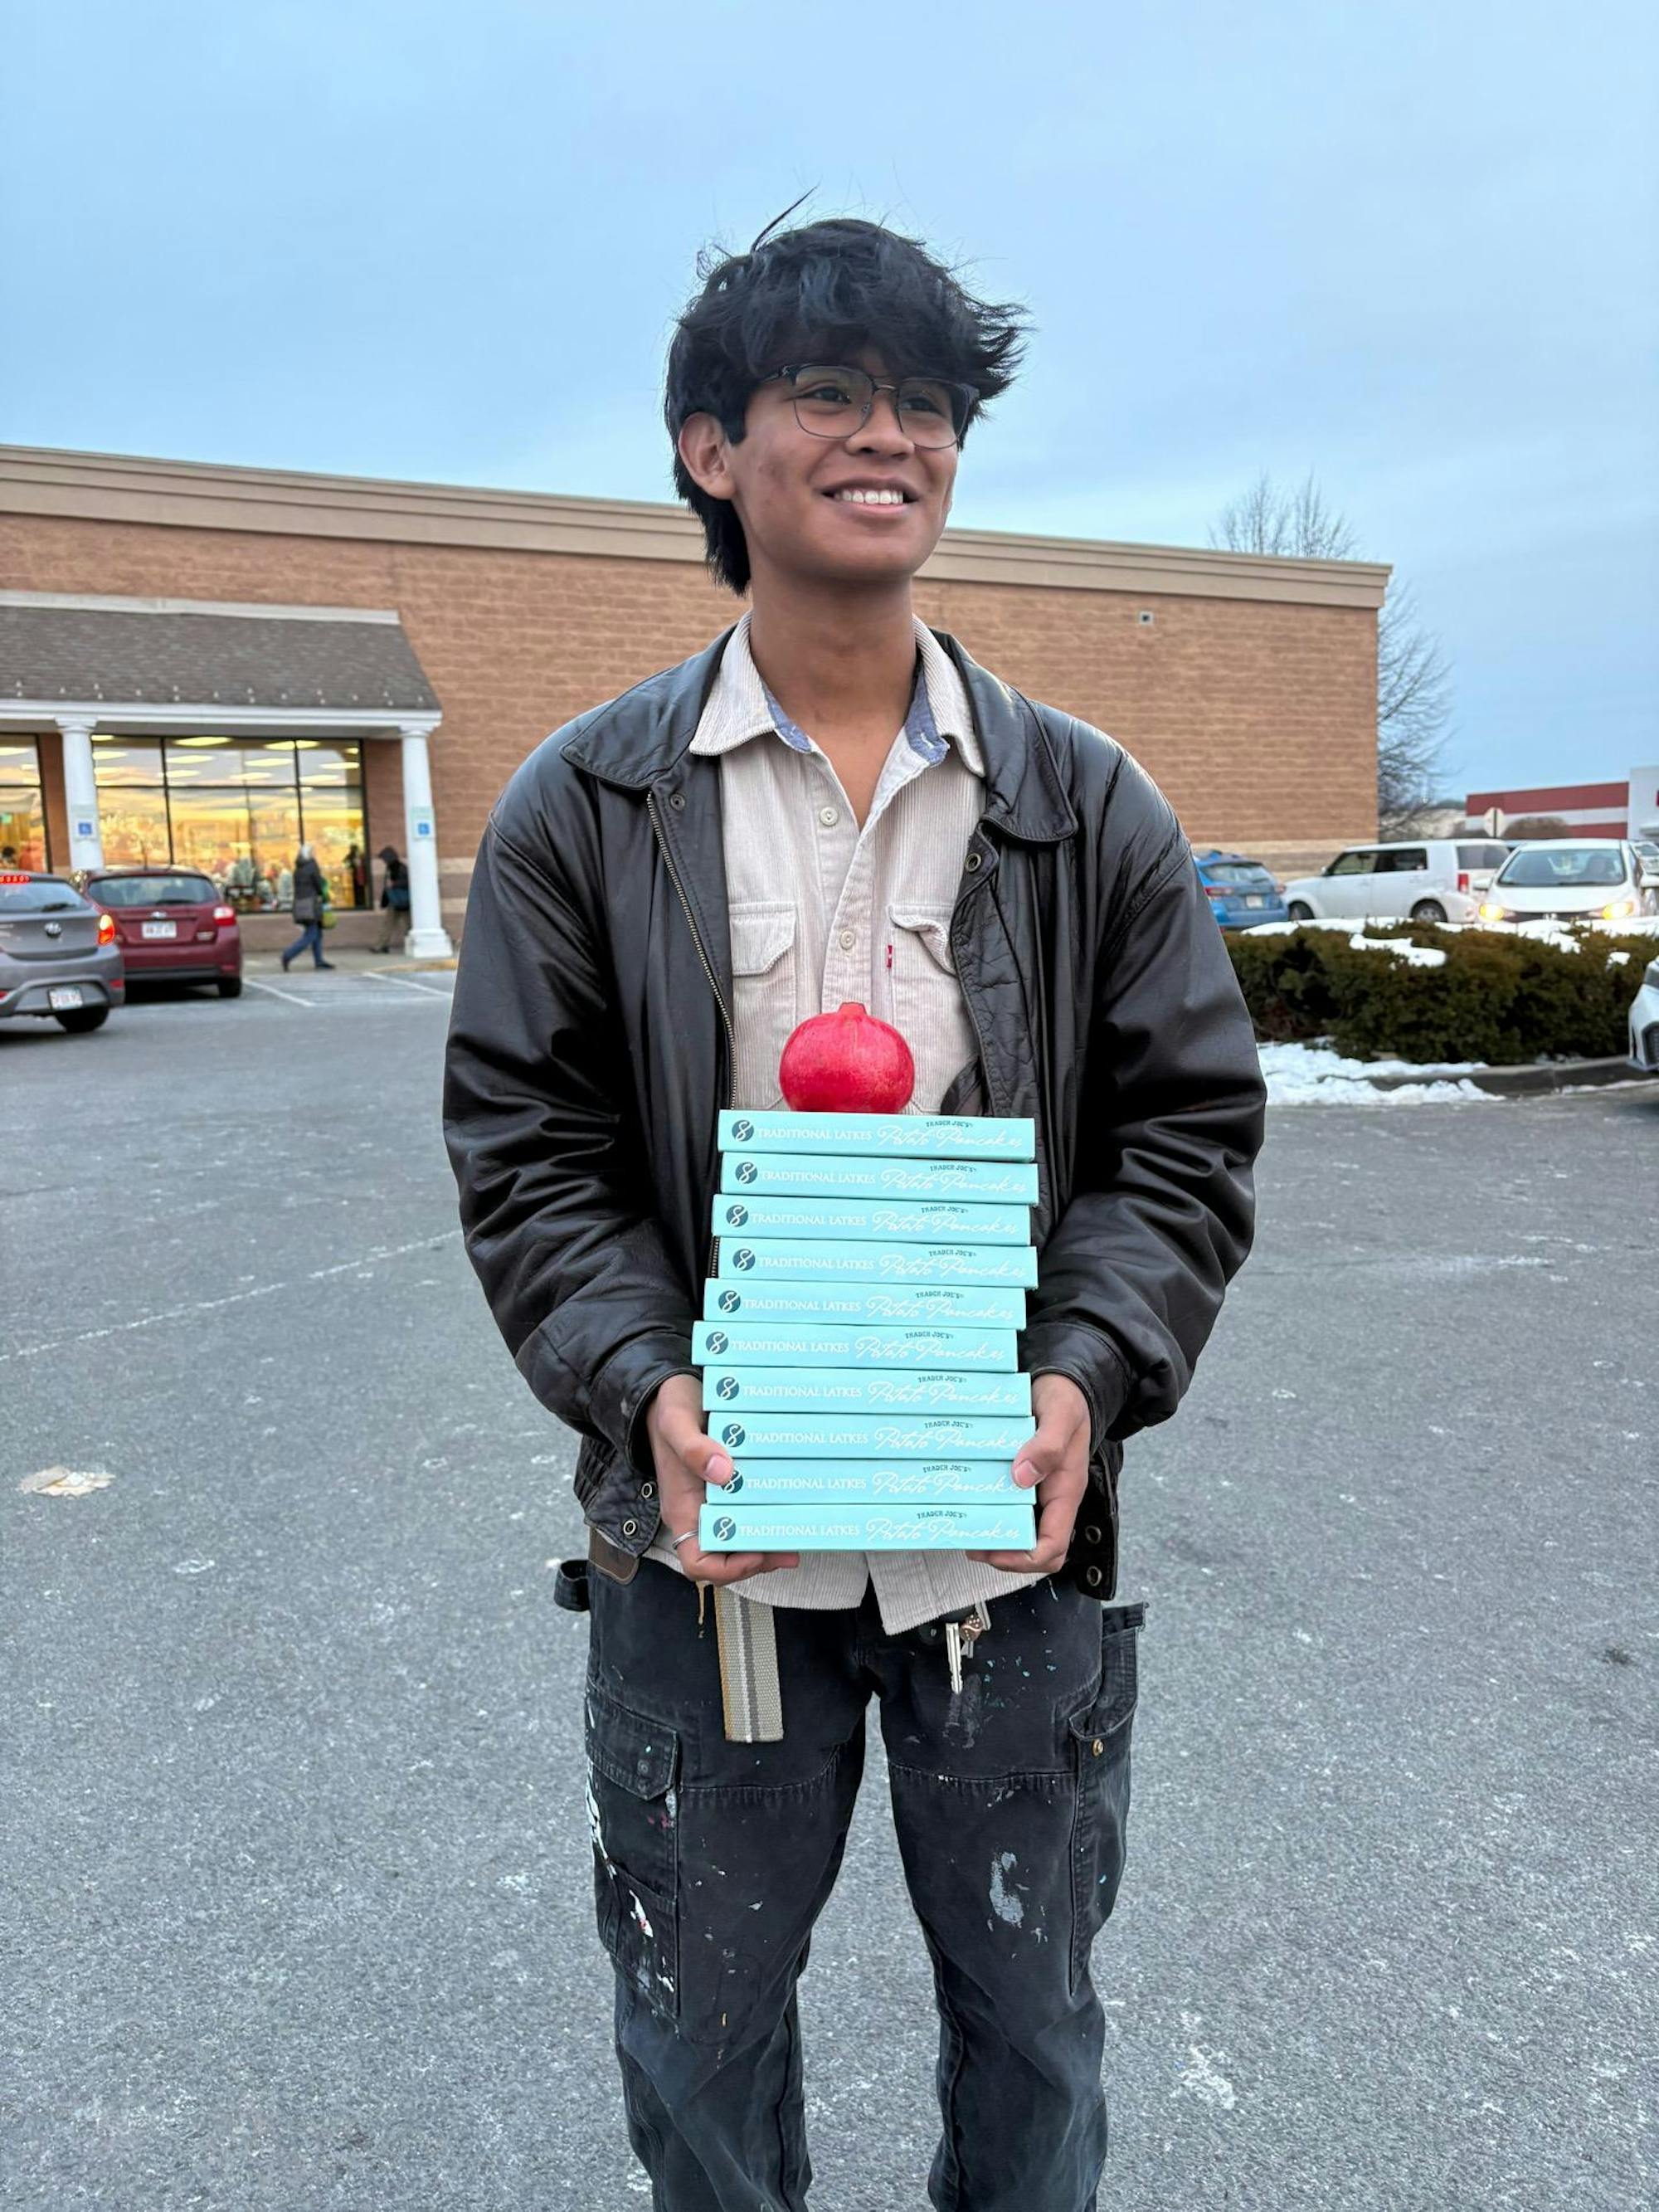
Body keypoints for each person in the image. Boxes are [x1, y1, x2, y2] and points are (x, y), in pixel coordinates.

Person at [443, 212, 1266, 2211]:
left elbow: (1181, 1130)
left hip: (1000, 1522)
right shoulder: (588, 802)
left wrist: (1083, 1373)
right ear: (709, 447)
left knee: (1035, 2026)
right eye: (825, 391)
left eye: (921, 401)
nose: (881, 432)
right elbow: (527, 1141)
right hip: (712, 1544)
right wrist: (641, 1386)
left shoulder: (1081, 801)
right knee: (699, 2040)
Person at [280, 844, 334, 971]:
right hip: (311, 904)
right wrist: (324, 895)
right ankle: (288, 955)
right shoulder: (312, 866)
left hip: (300, 904)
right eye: (313, 852)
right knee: (311, 934)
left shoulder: (298, 868)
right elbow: (319, 885)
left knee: (317, 933)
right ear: (309, 854)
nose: (315, 854)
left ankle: (319, 960)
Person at [371, 845, 410, 953]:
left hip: (403, 901)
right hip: (394, 901)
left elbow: (409, 882)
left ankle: (412, 944)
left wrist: (394, 884)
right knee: (387, 924)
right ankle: (381, 945)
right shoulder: (391, 868)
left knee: (408, 925)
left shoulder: (401, 868)